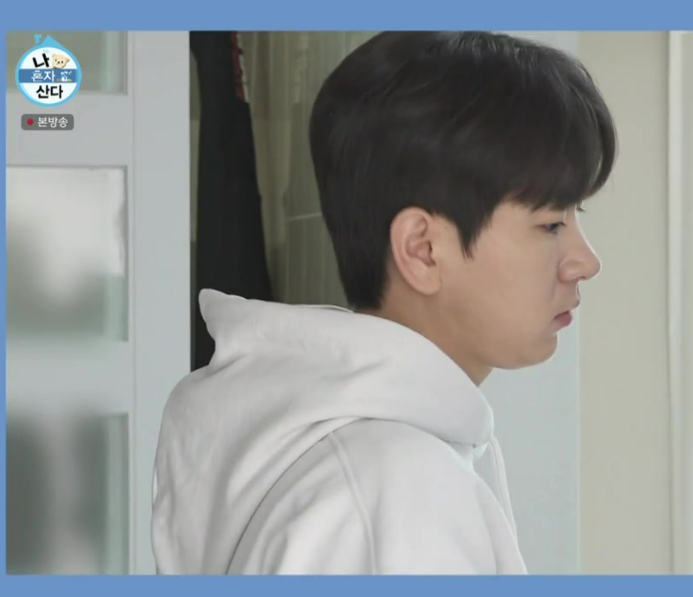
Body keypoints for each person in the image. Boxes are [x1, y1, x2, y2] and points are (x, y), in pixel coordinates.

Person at [151, 30, 616, 575]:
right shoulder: (397, 499)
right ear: (422, 249)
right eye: (552, 223)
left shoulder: (357, 467)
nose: (586, 261)